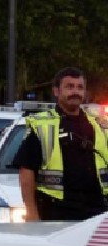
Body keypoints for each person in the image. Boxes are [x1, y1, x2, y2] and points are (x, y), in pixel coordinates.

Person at [13, 67, 108, 221]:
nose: (75, 92)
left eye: (79, 87)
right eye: (69, 87)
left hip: (97, 210)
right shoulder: (42, 125)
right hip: (56, 211)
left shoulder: (100, 125)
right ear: (56, 91)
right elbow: (26, 170)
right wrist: (31, 211)